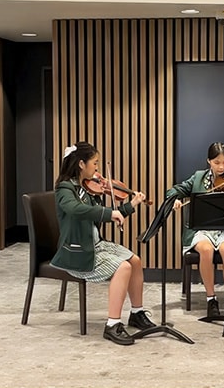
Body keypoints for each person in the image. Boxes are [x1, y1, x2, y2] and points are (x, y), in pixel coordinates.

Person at [50, 141, 156, 346]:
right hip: (77, 251)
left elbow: (110, 216)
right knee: (123, 267)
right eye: (95, 163)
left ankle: (136, 313)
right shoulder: (65, 188)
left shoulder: (88, 188)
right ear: (81, 164)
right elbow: (75, 210)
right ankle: (112, 325)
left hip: (95, 245)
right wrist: (110, 211)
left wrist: (130, 205)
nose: (98, 169)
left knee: (134, 261)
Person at [166, 142, 224, 318]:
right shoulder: (198, 177)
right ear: (208, 161)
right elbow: (174, 190)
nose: (221, 167)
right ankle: (211, 300)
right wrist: (175, 199)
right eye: (217, 162)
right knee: (206, 250)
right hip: (201, 230)